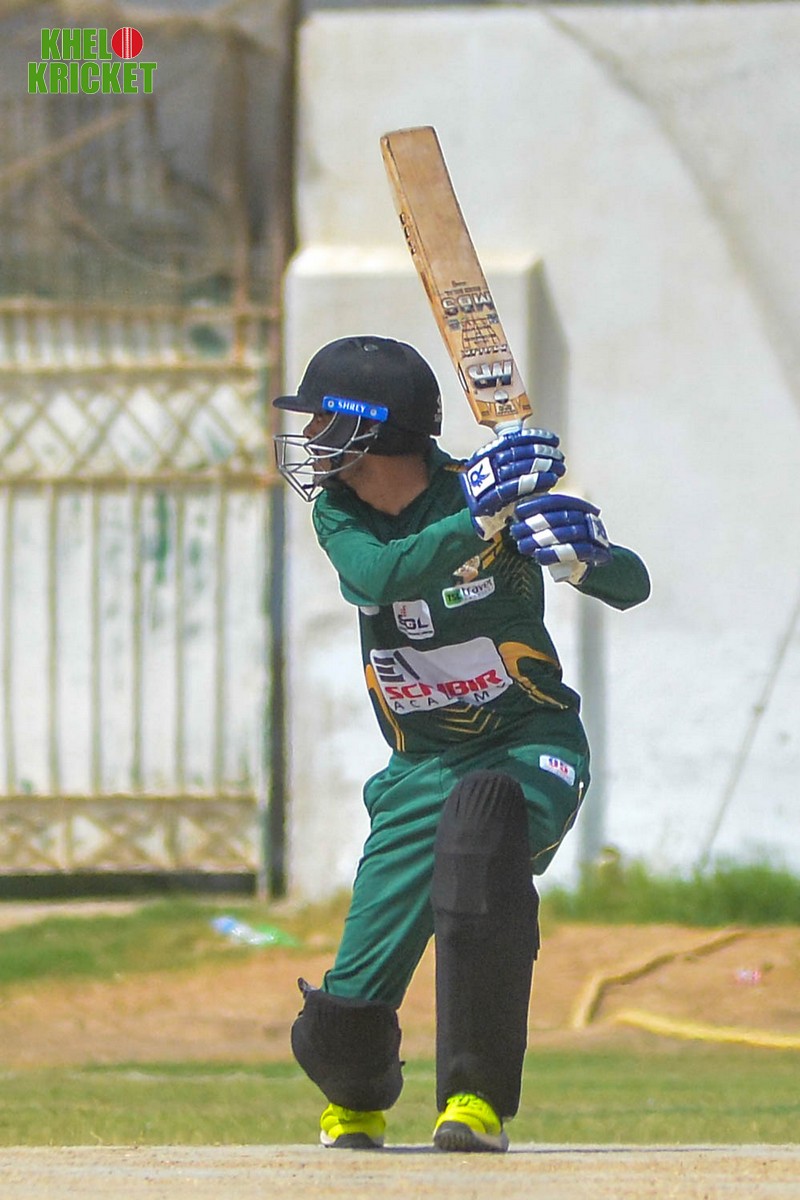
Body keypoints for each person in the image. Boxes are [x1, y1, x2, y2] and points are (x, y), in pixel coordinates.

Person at [273, 334, 650, 1153]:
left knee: (478, 840)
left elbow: (634, 585)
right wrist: (478, 518)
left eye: (323, 422)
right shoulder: (342, 510)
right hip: (420, 767)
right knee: (340, 1021)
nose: (308, 439)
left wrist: (585, 559)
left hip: (527, 745)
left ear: (373, 431)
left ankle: (474, 1098)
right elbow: (378, 576)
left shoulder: (493, 496)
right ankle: (358, 1094)